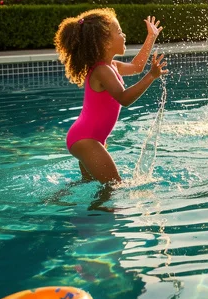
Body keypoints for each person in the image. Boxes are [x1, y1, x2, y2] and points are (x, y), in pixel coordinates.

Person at [54, 9, 167, 184]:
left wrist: (151, 36)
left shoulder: (111, 66)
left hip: (89, 138)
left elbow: (137, 66)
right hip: (86, 139)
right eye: (119, 32)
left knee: (90, 185)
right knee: (114, 186)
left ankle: (57, 199)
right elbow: (124, 98)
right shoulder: (102, 70)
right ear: (105, 42)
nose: (124, 35)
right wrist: (151, 76)